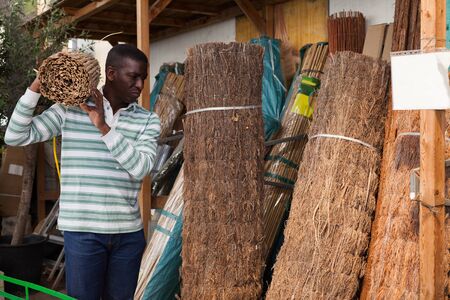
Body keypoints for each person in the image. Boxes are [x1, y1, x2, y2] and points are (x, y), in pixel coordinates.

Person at [5, 44, 160, 299]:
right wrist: (37, 86)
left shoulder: (148, 120)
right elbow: (15, 136)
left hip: (128, 236)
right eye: (133, 76)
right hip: (83, 233)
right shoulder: (70, 109)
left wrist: (103, 127)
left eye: (143, 77)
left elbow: (140, 167)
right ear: (111, 74)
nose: (140, 84)